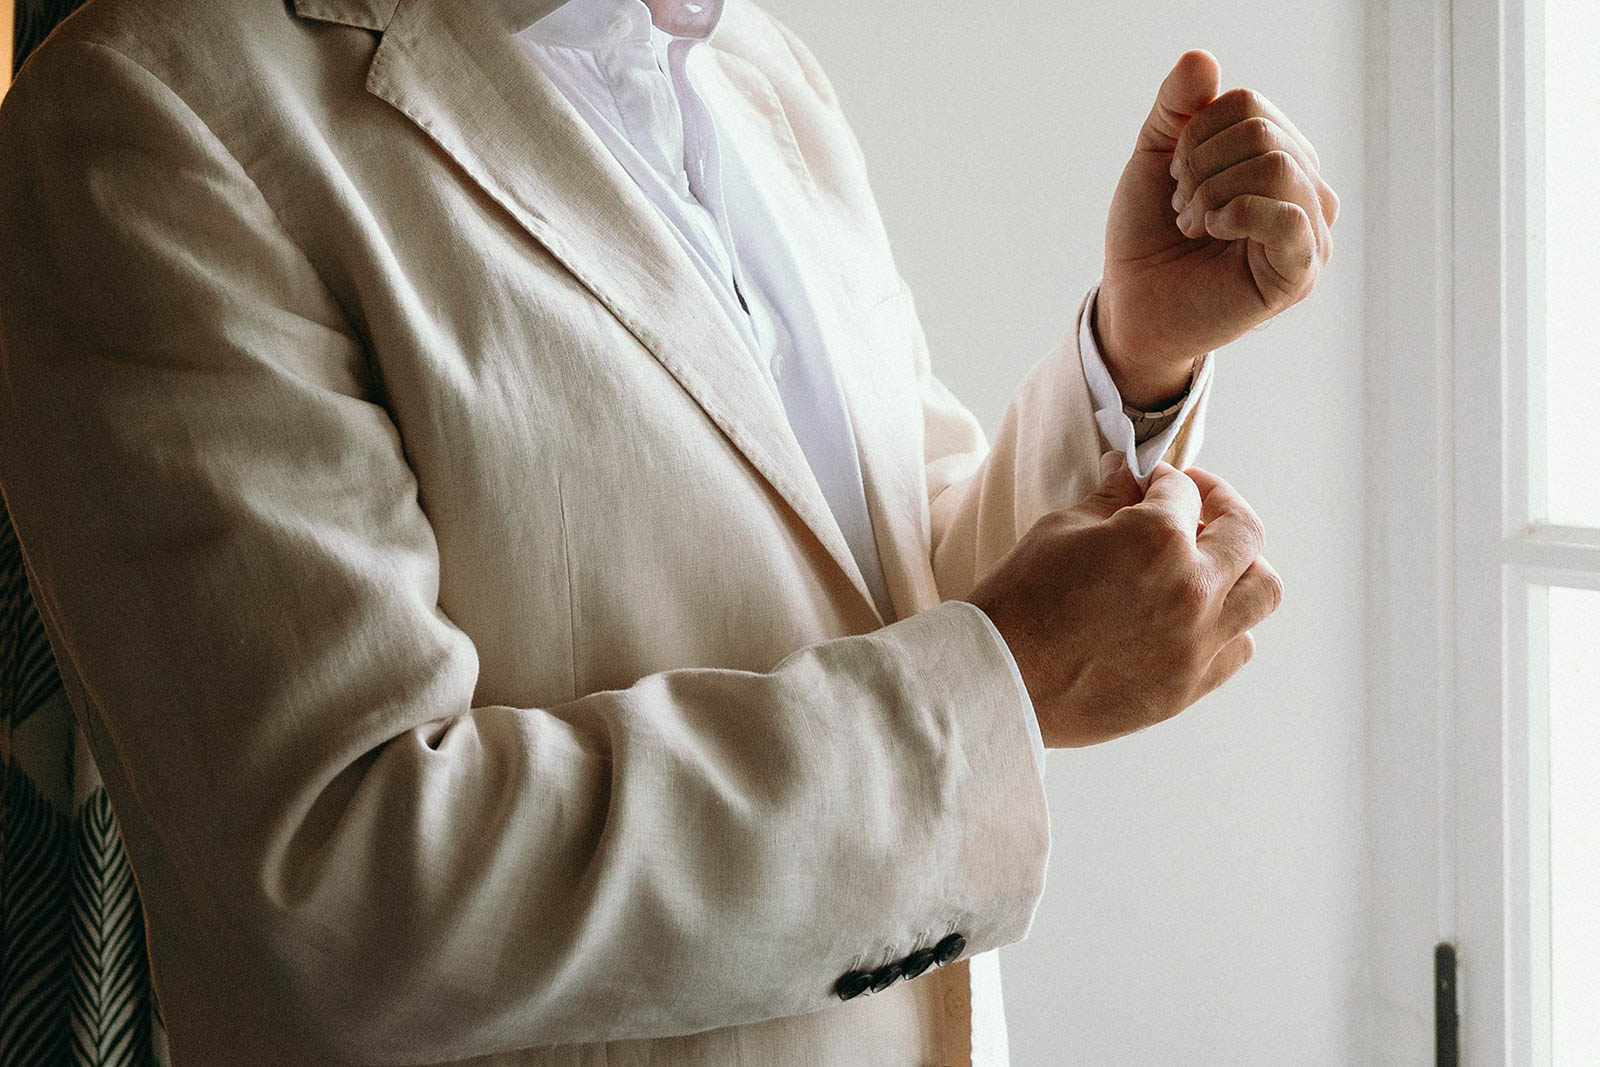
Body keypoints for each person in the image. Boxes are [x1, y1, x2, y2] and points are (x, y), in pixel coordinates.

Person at [0, 0, 1336, 1062]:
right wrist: (1012, 680)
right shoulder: (155, 109)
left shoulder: (762, 74)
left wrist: (1136, 352)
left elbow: (895, 582)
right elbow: (341, 891)